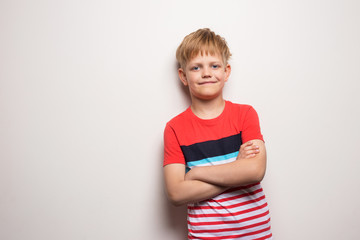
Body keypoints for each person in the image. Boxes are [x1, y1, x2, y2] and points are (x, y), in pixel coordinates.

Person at [163, 28, 272, 239]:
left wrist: (195, 173)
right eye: (196, 67)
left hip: (255, 233)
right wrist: (236, 169)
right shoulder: (175, 128)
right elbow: (176, 193)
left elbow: (255, 171)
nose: (206, 73)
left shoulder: (245, 114)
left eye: (214, 65)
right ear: (183, 76)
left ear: (226, 72)